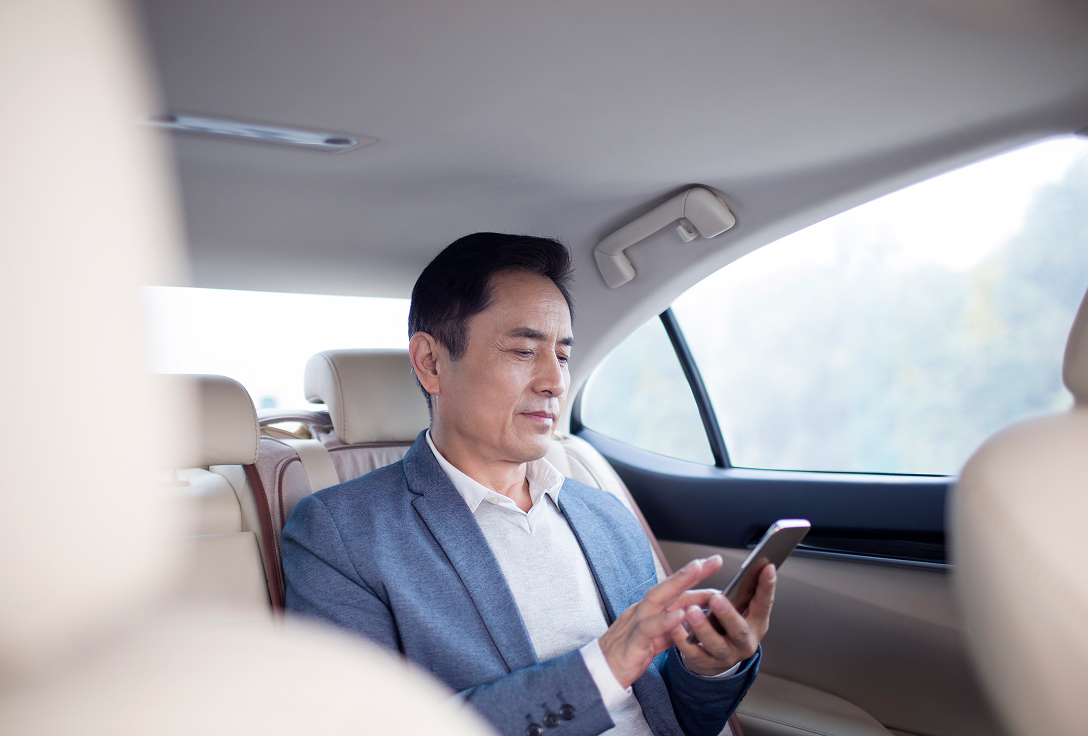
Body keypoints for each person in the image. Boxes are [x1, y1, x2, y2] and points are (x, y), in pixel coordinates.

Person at [282, 233, 777, 736]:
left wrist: (708, 668)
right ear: (431, 363)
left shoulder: (604, 515)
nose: (555, 381)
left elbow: (672, 716)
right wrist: (603, 666)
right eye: (523, 351)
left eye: (562, 356)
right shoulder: (339, 534)